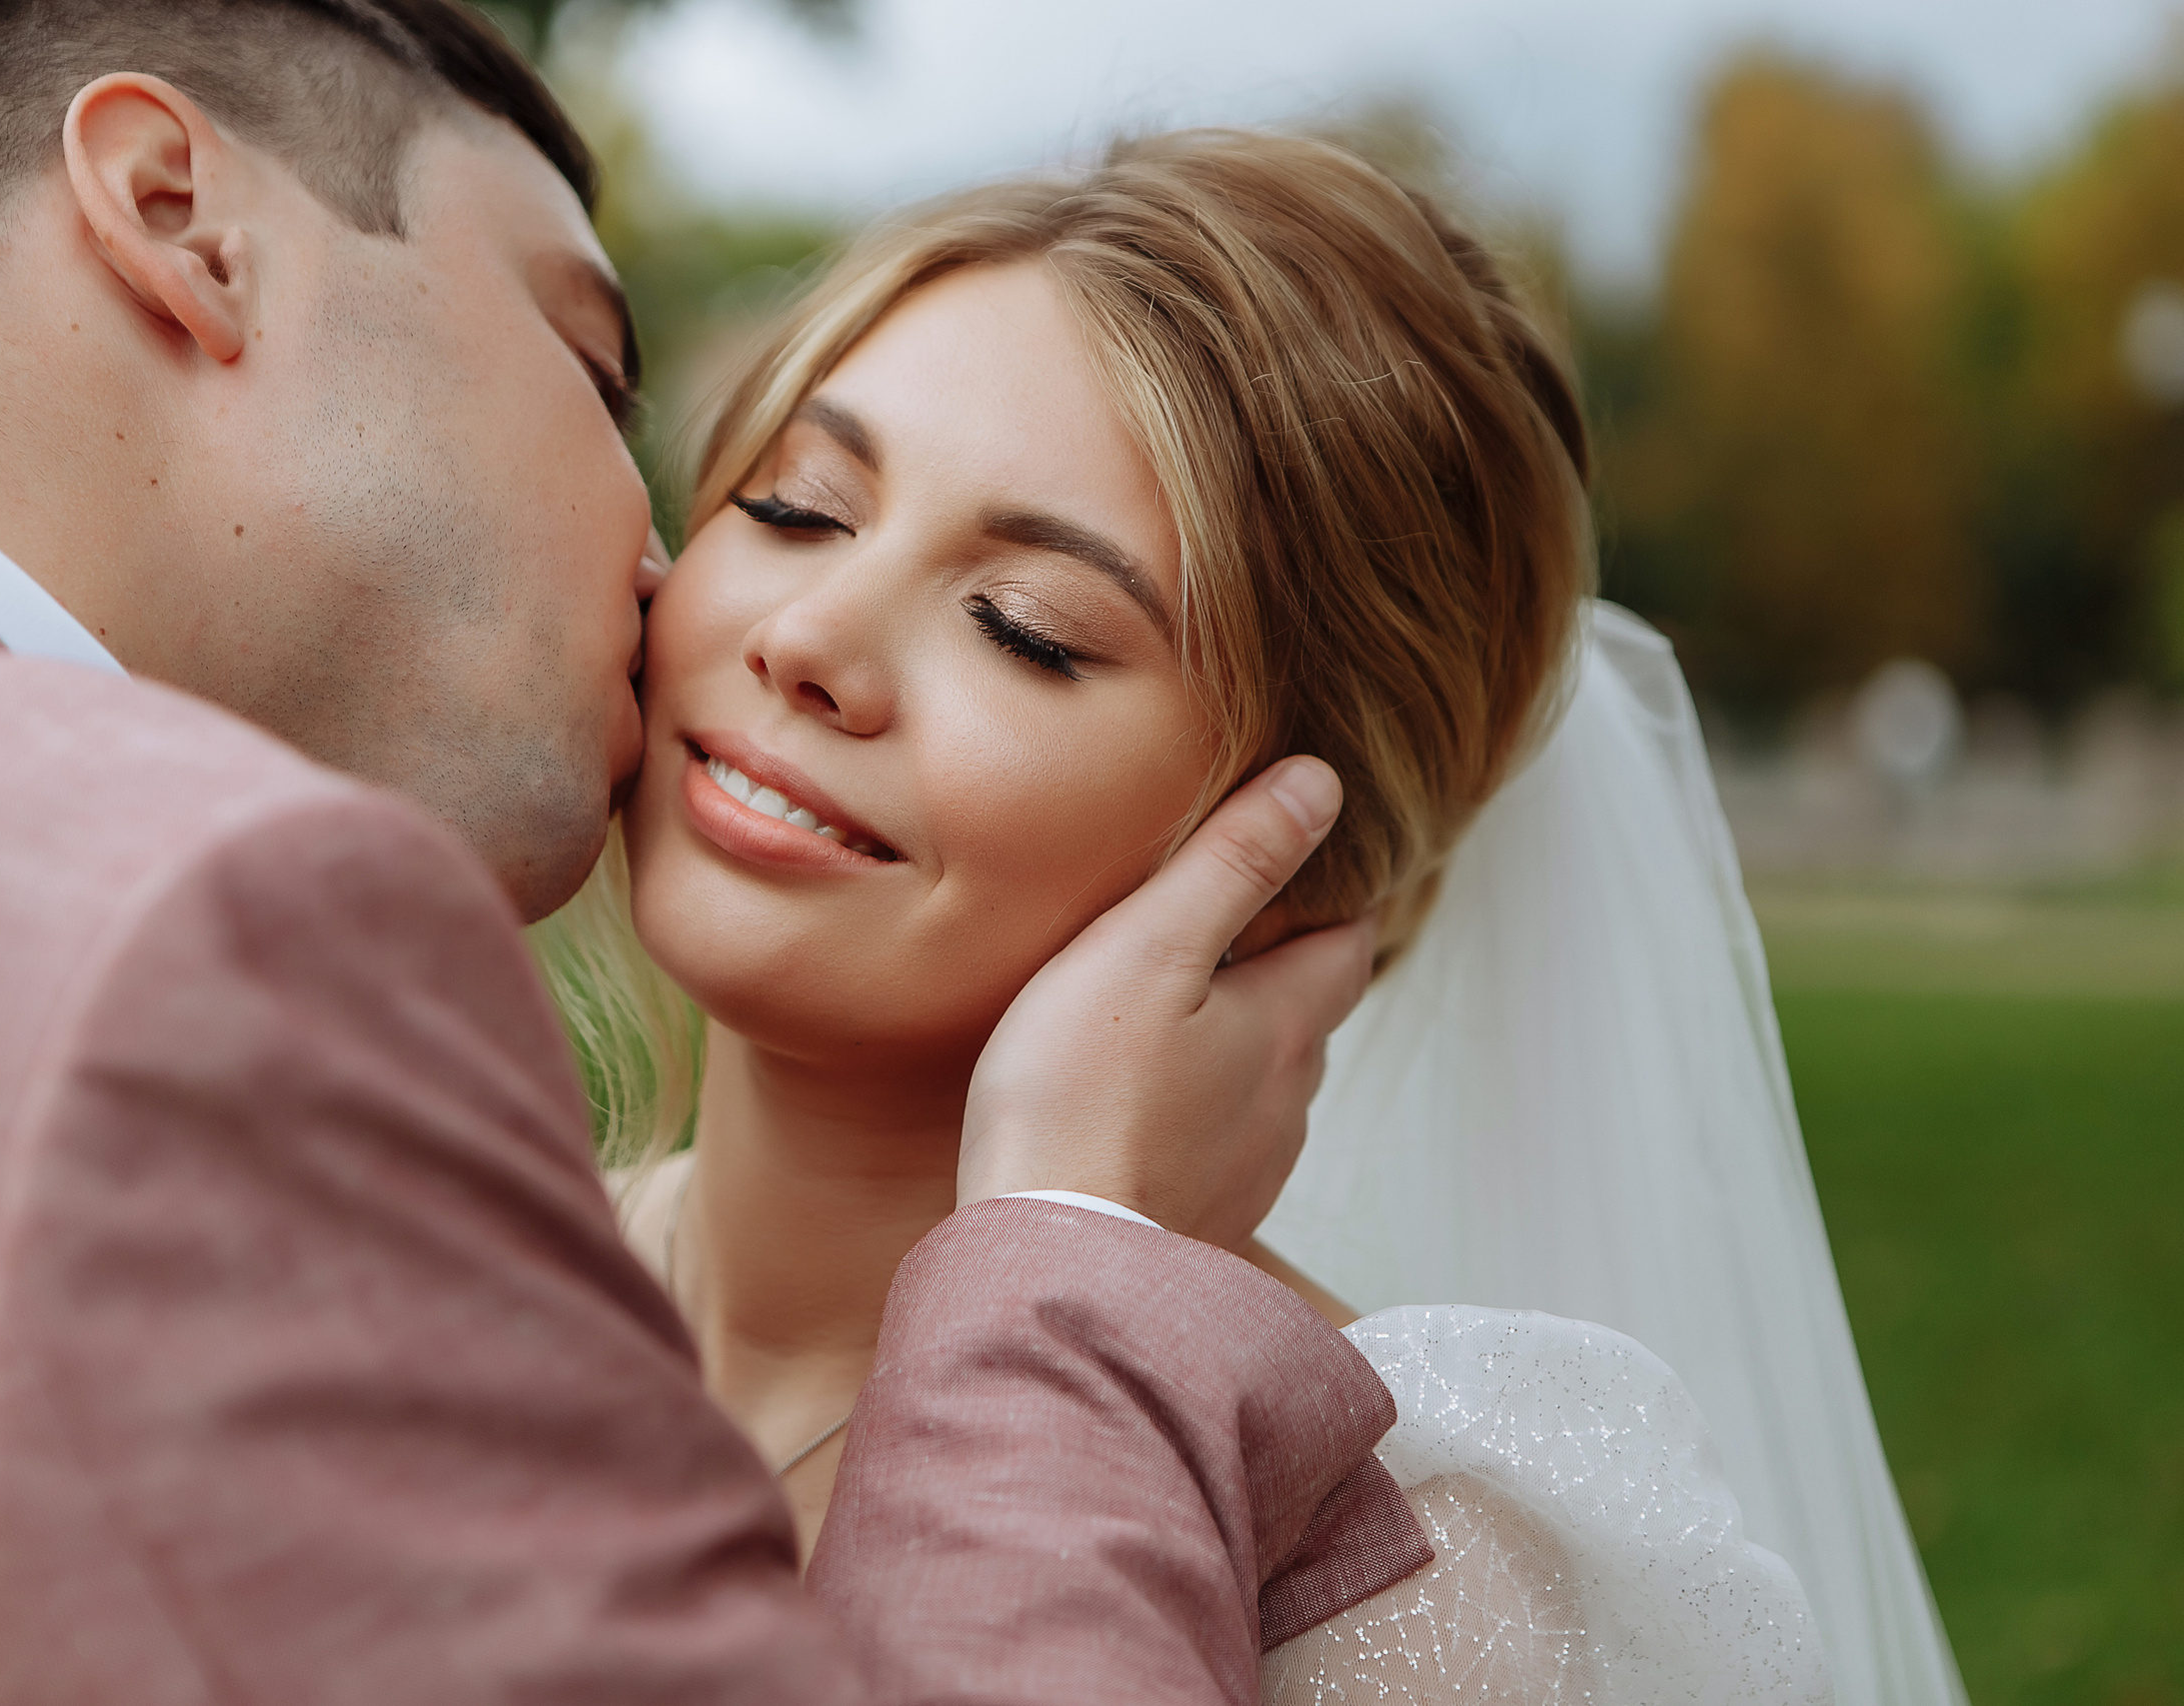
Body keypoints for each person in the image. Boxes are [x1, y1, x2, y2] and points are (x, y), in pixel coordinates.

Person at [0, 4, 1438, 1700]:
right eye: (595, 368)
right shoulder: (195, 921)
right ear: (181, 219)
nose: (685, 579)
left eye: (1032, 625)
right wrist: (1077, 1266)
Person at [572, 130, 1862, 1695]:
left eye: (1025, 629)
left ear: (1300, 874)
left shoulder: (1407, 1581)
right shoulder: (429, 1255)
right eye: (796, 507)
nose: (810, 638)